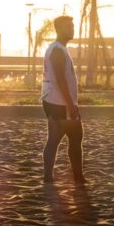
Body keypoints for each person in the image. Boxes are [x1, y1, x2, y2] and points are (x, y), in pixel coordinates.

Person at [42, 15, 84, 185]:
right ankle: (78, 178)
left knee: (56, 139)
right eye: (68, 26)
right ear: (58, 29)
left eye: (72, 25)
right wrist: (70, 104)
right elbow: (59, 79)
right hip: (59, 103)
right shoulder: (57, 50)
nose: (72, 28)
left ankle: (49, 177)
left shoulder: (59, 48)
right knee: (73, 137)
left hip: (55, 100)